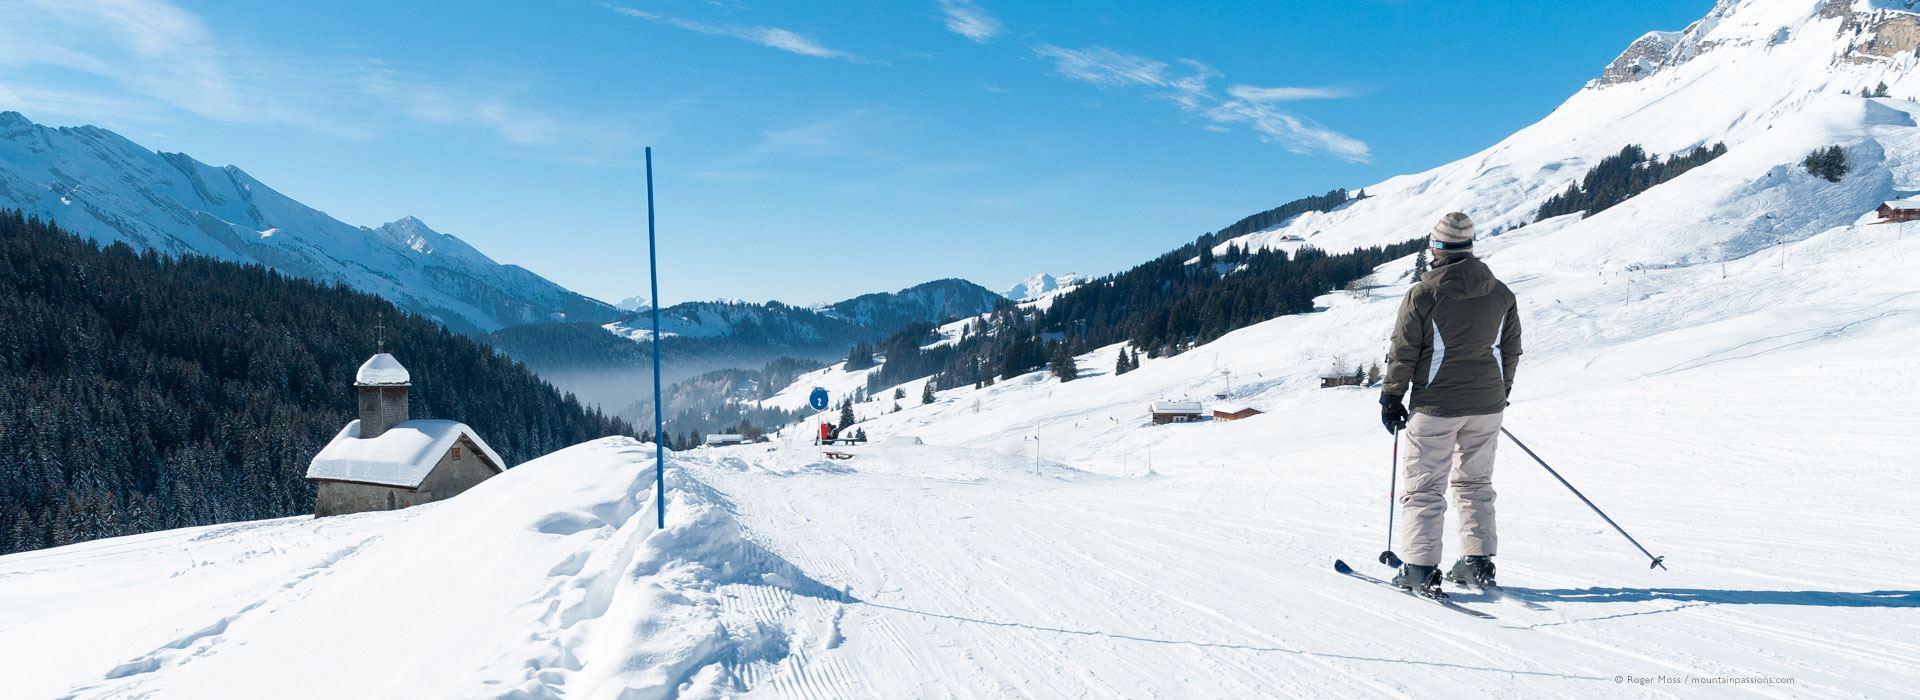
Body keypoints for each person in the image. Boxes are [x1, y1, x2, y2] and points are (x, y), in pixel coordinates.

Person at [1379, 212, 1522, 595]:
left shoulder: (1423, 294)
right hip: (1488, 405)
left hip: (1437, 406)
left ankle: (1420, 568)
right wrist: (1500, 392)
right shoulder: (1501, 293)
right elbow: (1510, 349)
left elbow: (1403, 350)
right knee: (1475, 483)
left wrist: (1392, 397)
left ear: (1437, 249)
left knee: (1425, 488)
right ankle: (1477, 563)